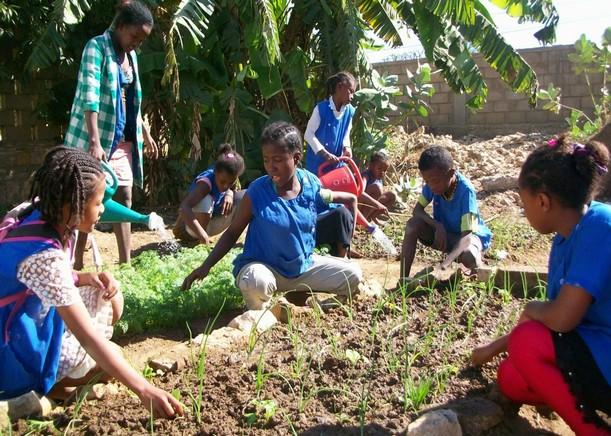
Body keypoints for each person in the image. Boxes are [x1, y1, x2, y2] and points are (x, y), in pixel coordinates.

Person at [0, 147, 182, 418]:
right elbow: (87, 337)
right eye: (97, 204)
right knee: (110, 358)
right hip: (12, 344)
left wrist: (84, 277)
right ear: (73, 204)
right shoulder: (43, 255)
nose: (102, 211)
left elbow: (38, 279)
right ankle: (51, 385)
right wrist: (144, 390)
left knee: (110, 299)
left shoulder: (43, 208)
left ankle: (61, 375)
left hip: (27, 314)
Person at [471, 136, 611, 436]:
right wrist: (491, 350)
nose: (525, 212)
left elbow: (560, 318)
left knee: (526, 343)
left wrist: (530, 308)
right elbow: (551, 323)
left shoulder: (601, 228)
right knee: (511, 377)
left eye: (524, 204)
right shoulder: (565, 236)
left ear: (543, 201)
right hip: (596, 349)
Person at [181, 121, 362, 311]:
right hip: (265, 268)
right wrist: (206, 266)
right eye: (266, 160)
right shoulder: (258, 191)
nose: (270, 167)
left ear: (296, 157)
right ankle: (267, 312)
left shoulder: (311, 184)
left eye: (277, 160)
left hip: (303, 268)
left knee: (353, 275)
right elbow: (232, 233)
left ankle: (306, 303)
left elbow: (340, 207)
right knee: (255, 283)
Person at [65, 1, 157, 269]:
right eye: (134, 36)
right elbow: (90, 95)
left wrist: (145, 132)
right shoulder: (97, 48)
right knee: (87, 198)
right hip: (94, 138)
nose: (137, 44)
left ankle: (126, 262)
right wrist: (94, 140)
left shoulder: (131, 57)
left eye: (142, 40)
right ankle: (77, 259)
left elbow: (131, 101)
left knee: (124, 195)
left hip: (123, 139)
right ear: (120, 26)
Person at [400, 146, 491, 281]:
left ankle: (479, 276)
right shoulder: (434, 184)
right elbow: (417, 211)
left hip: (467, 238)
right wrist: (437, 225)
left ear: (450, 173)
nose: (431, 186)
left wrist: (443, 266)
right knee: (413, 224)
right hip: (444, 236)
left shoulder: (466, 191)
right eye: (427, 182)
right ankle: (403, 280)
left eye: (435, 181)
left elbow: (466, 237)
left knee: (468, 254)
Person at [173, 144, 245, 244]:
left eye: (230, 183)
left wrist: (230, 193)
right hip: (189, 230)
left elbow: (232, 187)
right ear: (215, 171)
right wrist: (201, 234)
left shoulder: (229, 176)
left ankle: (230, 238)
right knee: (205, 200)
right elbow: (184, 207)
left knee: (246, 196)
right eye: (223, 182)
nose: (225, 186)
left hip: (211, 226)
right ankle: (198, 239)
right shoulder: (205, 184)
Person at [304, 71, 356, 175]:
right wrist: (324, 154)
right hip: (317, 165)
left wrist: (347, 148)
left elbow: (346, 134)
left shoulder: (349, 111)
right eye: (350, 91)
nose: (352, 96)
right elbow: (308, 134)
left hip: (336, 165)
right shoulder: (321, 109)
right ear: (339, 87)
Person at [360, 149, 397, 221]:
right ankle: (361, 221)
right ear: (371, 166)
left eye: (385, 170)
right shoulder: (366, 176)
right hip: (359, 205)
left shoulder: (378, 177)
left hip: (369, 204)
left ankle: (372, 217)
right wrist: (377, 204)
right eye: (379, 168)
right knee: (377, 188)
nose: (382, 172)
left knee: (392, 195)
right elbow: (360, 193)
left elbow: (379, 195)